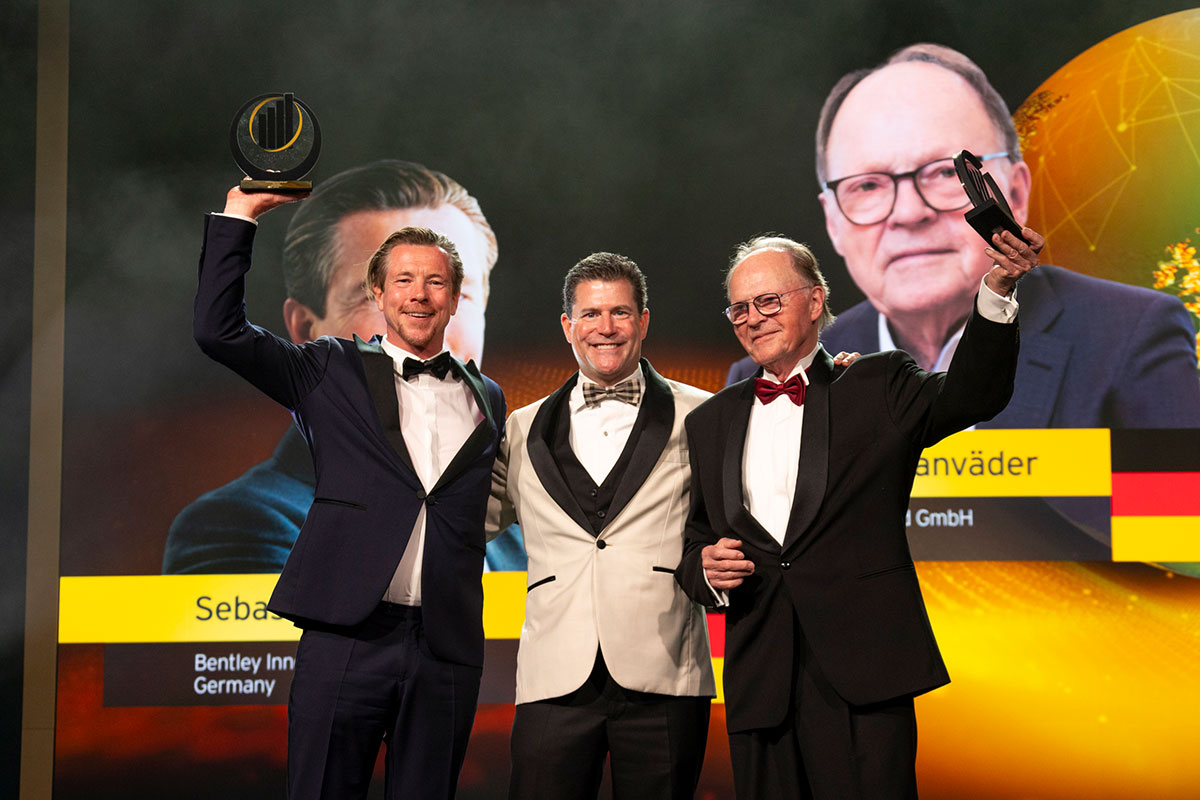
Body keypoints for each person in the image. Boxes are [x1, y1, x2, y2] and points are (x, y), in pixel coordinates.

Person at [678, 228, 1039, 798]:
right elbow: (695, 540)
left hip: (863, 675)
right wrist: (704, 568)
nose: (752, 318)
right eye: (739, 308)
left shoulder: (877, 383)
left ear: (816, 300)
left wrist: (995, 292)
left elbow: (974, 394)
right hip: (760, 681)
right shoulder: (708, 421)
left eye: (769, 301)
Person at [194, 186, 506, 799]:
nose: (420, 293)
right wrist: (239, 219)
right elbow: (218, 332)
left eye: (437, 283)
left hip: (446, 647)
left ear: (456, 297)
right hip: (348, 637)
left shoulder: (486, 395)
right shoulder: (328, 367)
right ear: (380, 295)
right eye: (405, 280)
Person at [727, 43, 1200, 431]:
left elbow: (1179, 525)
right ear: (832, 220)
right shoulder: (763, 372)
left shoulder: (1132, 335)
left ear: (1015, 188)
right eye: (867, 185)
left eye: (941, 174)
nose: (909, 214)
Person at [165, 160, 525, 574]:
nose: (424, 316)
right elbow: (220, 333)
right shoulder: (241, 524)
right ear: (304, 327)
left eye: (452, 291)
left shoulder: (518, 519)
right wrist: (239, 217)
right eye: (380, 294)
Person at [488, 253, 715, 799]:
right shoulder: (520, 427)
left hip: (665, 669)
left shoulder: (704, 414)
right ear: (568, 326)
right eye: (590, 314)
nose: (605, 328)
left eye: (620, 312)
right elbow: (468, 520)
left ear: (643, 321)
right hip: (553, 674)